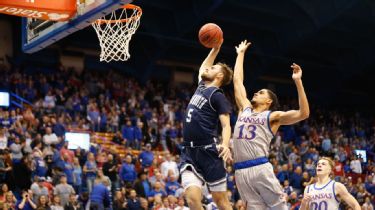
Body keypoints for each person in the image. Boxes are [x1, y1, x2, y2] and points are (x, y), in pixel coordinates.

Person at [232, 40, 310, 210]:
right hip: (239, 171)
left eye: (260, 93)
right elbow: (237, 81)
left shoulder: (272, 116)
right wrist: (241, 54)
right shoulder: (244, 109)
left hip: (259, 167)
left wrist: (298, 81)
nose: (255, 92)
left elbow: (303, 113)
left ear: (268, 101)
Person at [180, 39, 233, 210]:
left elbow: (226, 125)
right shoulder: (201, 87)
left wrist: (225, 144)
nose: (208, 68)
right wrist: (215, 49)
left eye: (214, 68)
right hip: (189, 151)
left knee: (221, 202)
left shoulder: (217, 95)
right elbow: (204, 67)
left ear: (219, 77)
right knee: (193, 200)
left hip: (208, 151)